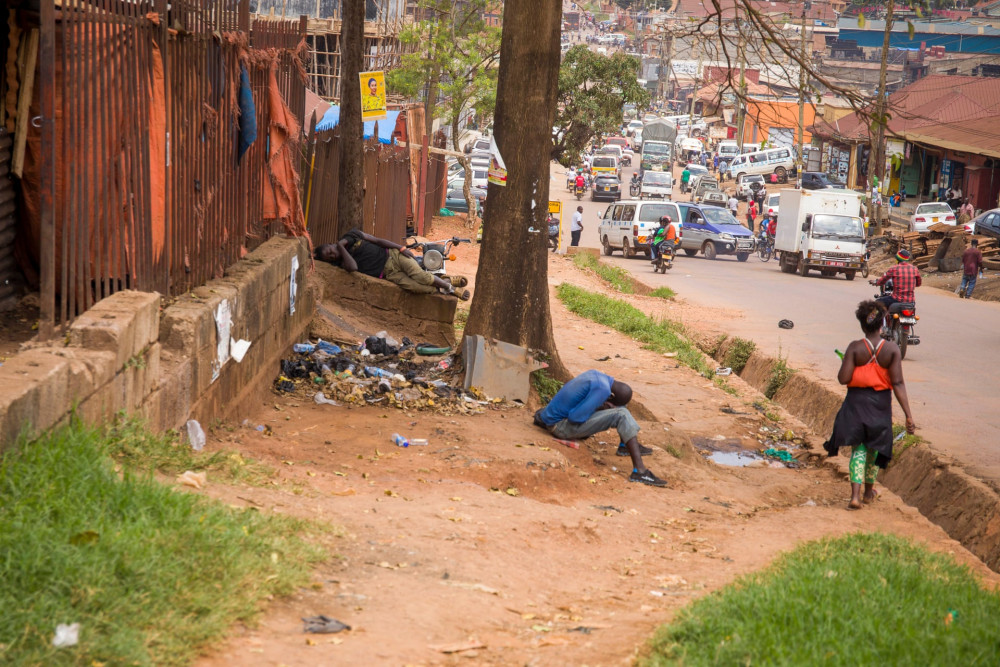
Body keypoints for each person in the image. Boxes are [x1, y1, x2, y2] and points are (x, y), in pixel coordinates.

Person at [824, 300, 916, 510]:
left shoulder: (855, 348)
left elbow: (843, 378)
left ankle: (854, 496)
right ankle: (868, 493)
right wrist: (908, 416)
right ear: (882, 324)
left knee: (859, 448)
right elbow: (898, 383)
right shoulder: (891, 350)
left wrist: (848, 363)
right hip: (880, 405)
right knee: (874, 449)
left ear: (862, 325)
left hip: (856, 403)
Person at [533, 370, 667, 487]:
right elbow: (575, 418)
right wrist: (600, 407)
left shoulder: (600, 377)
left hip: (555, 417)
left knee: (620, 408)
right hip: (560, 426)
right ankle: (640, 472)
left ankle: (625, 446)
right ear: (611, 396)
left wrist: (603, 405)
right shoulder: (602, 390)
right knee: (621, 414)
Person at [315, 229, 470, 300]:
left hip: (394, 256)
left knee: (419, 276)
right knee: (417, 287)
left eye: (330, 250)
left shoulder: (352, 235)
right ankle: (446, 280)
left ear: (330, 244)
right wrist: (340, 247)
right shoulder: (344, 263)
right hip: (389, 274)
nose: (332, 255)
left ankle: (451, 289)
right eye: (330, 257)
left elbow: (377, 240)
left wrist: (400, 247)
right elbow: (354, 267)